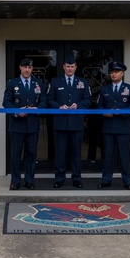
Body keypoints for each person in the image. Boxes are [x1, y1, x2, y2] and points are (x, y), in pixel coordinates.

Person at [47, 55, 92, 188]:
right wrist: (59, 107)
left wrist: (78, 105)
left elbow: (88, 100)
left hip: (76, 123)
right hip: (60, 123)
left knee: (76, 152)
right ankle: (60, 178)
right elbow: (49, 99)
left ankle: (76, 178)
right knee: (60, 152)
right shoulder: (55, 82)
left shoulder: (82, 82)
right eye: (68, 66)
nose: (70, 69)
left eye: (72, 66)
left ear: (76, 67)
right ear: (63, 67)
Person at [97, 61, 130, 189]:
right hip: (109, 127)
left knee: (125, 156)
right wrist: (104, 113)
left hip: (123, 127)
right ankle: (106, 180)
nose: (113, 74)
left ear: (122, 73)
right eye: (111, 72)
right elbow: (99, 106)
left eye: (116, 72)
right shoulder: (105, 89)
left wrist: (122, 113)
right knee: (108, 156)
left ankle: (127, 182)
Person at [2, 57, 44, 190]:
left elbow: (44, 101)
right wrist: (16, 111)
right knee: (16, 154)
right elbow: (6, 102)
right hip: (17, 125)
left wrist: (37, 109)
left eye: (30, 67)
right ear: (20, 67)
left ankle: (29, 180)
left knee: (31, 154)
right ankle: (15, 181)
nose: (27, 70)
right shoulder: (12, 83)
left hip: (32, 125)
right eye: (25, 67)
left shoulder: (38, 83)